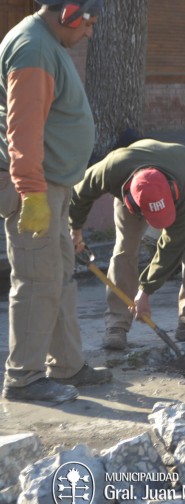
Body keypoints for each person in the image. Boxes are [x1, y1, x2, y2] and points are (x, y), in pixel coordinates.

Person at [0, 0, 112, 403]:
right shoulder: (33, 48)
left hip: (53, 186)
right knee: (37, 278)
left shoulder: (47, 44)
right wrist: (32, 193)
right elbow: (23, 130)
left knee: (59, 272)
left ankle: (66, 365)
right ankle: (24, 377)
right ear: (69, 13)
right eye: (88, 23)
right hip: (37, 186)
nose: (89, 33)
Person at [69, 140, 185, 350]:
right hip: (132, 178)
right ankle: (116, 325)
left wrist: (145, 291)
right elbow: (78, 194)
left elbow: (172, 246)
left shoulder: (182, 189)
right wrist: (75, 231)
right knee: (124, 249)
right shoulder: (111, 168)